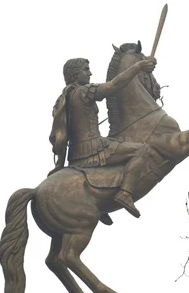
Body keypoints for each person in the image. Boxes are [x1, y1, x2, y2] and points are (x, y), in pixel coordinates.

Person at [49, 56, 159, 219]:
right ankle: (125, 193)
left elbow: (61, 135)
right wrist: (137, 67)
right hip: (94, 148)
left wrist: (60, 163)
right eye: (85, 70)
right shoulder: (83, 92)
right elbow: (112, 86)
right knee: (143, 150)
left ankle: (101, 202)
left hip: (75, 155)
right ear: (74, 75)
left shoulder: (62, 99)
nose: (90, 73)